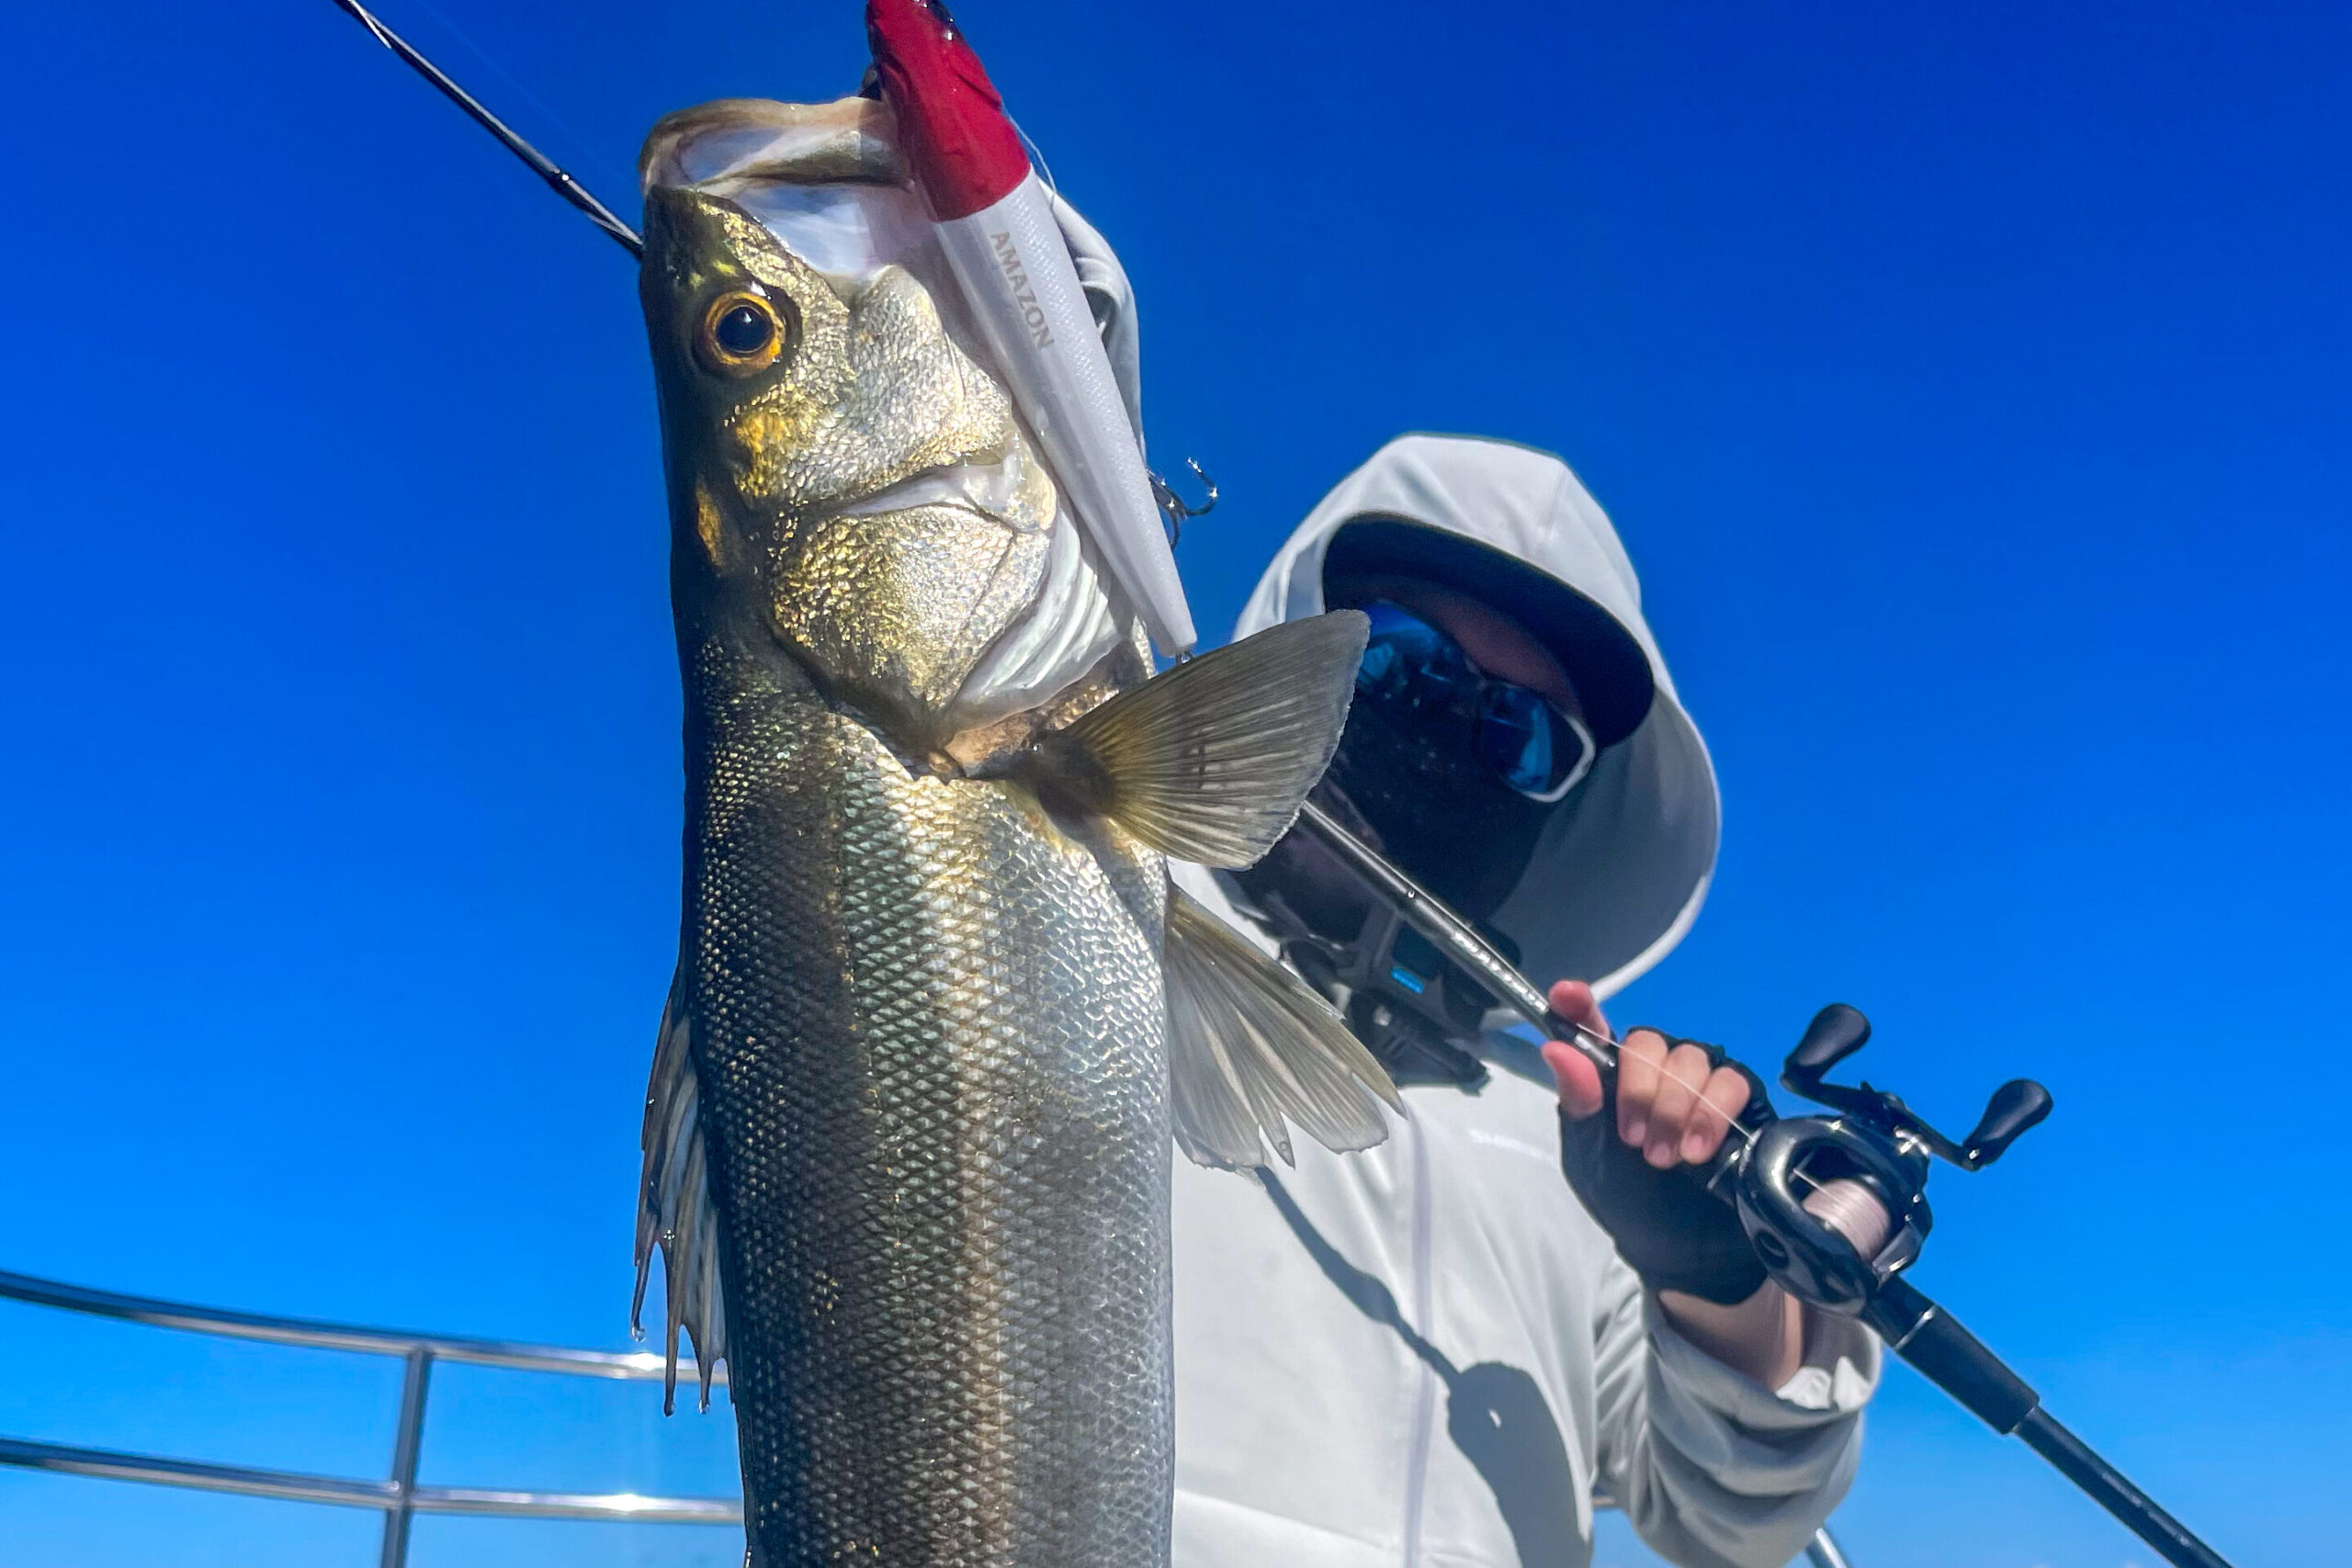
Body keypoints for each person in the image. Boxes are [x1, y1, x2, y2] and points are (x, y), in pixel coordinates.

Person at [1168, 434, 1879, 1568]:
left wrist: (1717, 1281)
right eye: (1398, 667)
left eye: (1526, 735)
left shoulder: (1564, 1128)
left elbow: (1730, 1522)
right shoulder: (1086, 940)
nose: (1455, 737)